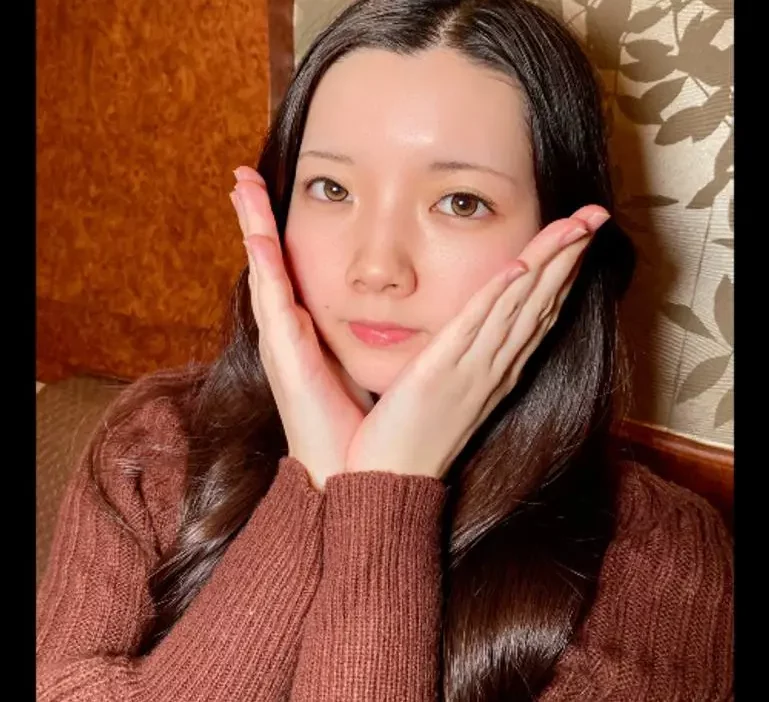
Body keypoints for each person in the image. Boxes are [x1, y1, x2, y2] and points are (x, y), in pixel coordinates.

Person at [36, 1, 733, 700]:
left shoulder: (662, 564)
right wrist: (311, 486)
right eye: (332, 188)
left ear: (563, 246)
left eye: (460, 202)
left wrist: (383, 495)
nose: (375, 268)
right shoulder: (155, 446)